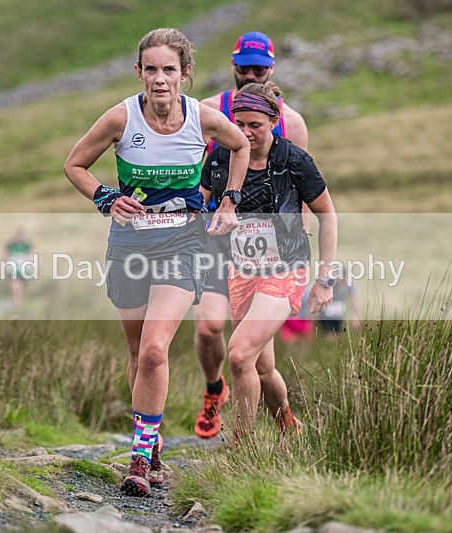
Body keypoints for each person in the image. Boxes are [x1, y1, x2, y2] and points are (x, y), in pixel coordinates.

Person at [64, 28, 250, 497]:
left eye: (170, 69)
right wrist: (107, 198)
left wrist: (229, 201)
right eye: (151, 69)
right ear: (139, 73)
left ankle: (140, 458)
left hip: (182, 246)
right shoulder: (121, 118)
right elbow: (74, 165)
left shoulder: (202, 118)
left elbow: (241, 146)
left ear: (185, 75)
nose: (160, 79)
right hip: (129, 246)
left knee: (153, 350)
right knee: (136, 355)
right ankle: (155, 444)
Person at [192, 31, 311, 439]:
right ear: (233, 64)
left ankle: (287, 428)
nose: (251, 73)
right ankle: (214, 390)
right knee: (209, 328)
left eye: (260, 67)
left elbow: (302, 192)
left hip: (269, 256)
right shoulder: (208, 111)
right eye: (245, 66)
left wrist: (299, 255)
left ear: (272, 68)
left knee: (260, 365)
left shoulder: (292, 123)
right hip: (217, 241)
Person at [201, 81, 337, 439]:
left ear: (274, 120)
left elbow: (328, 215)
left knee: (239, 354)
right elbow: (200, 204)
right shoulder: (220, 155)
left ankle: (239, 450)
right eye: (239, 123)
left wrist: (324, 279)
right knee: (262, 368)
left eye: (255, 125)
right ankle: (289, 426)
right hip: (241, 272)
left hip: (286, 270)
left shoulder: (294, 160)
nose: (245, 133)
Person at [4, 228, 32, 311]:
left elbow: (31, 257)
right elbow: (5, 256)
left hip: (23, 270)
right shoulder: (11, 245)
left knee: (21, 288)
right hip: (14, 269)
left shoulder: (27, 246)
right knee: (15, 287)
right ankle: (16, 305)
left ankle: (19, 306)